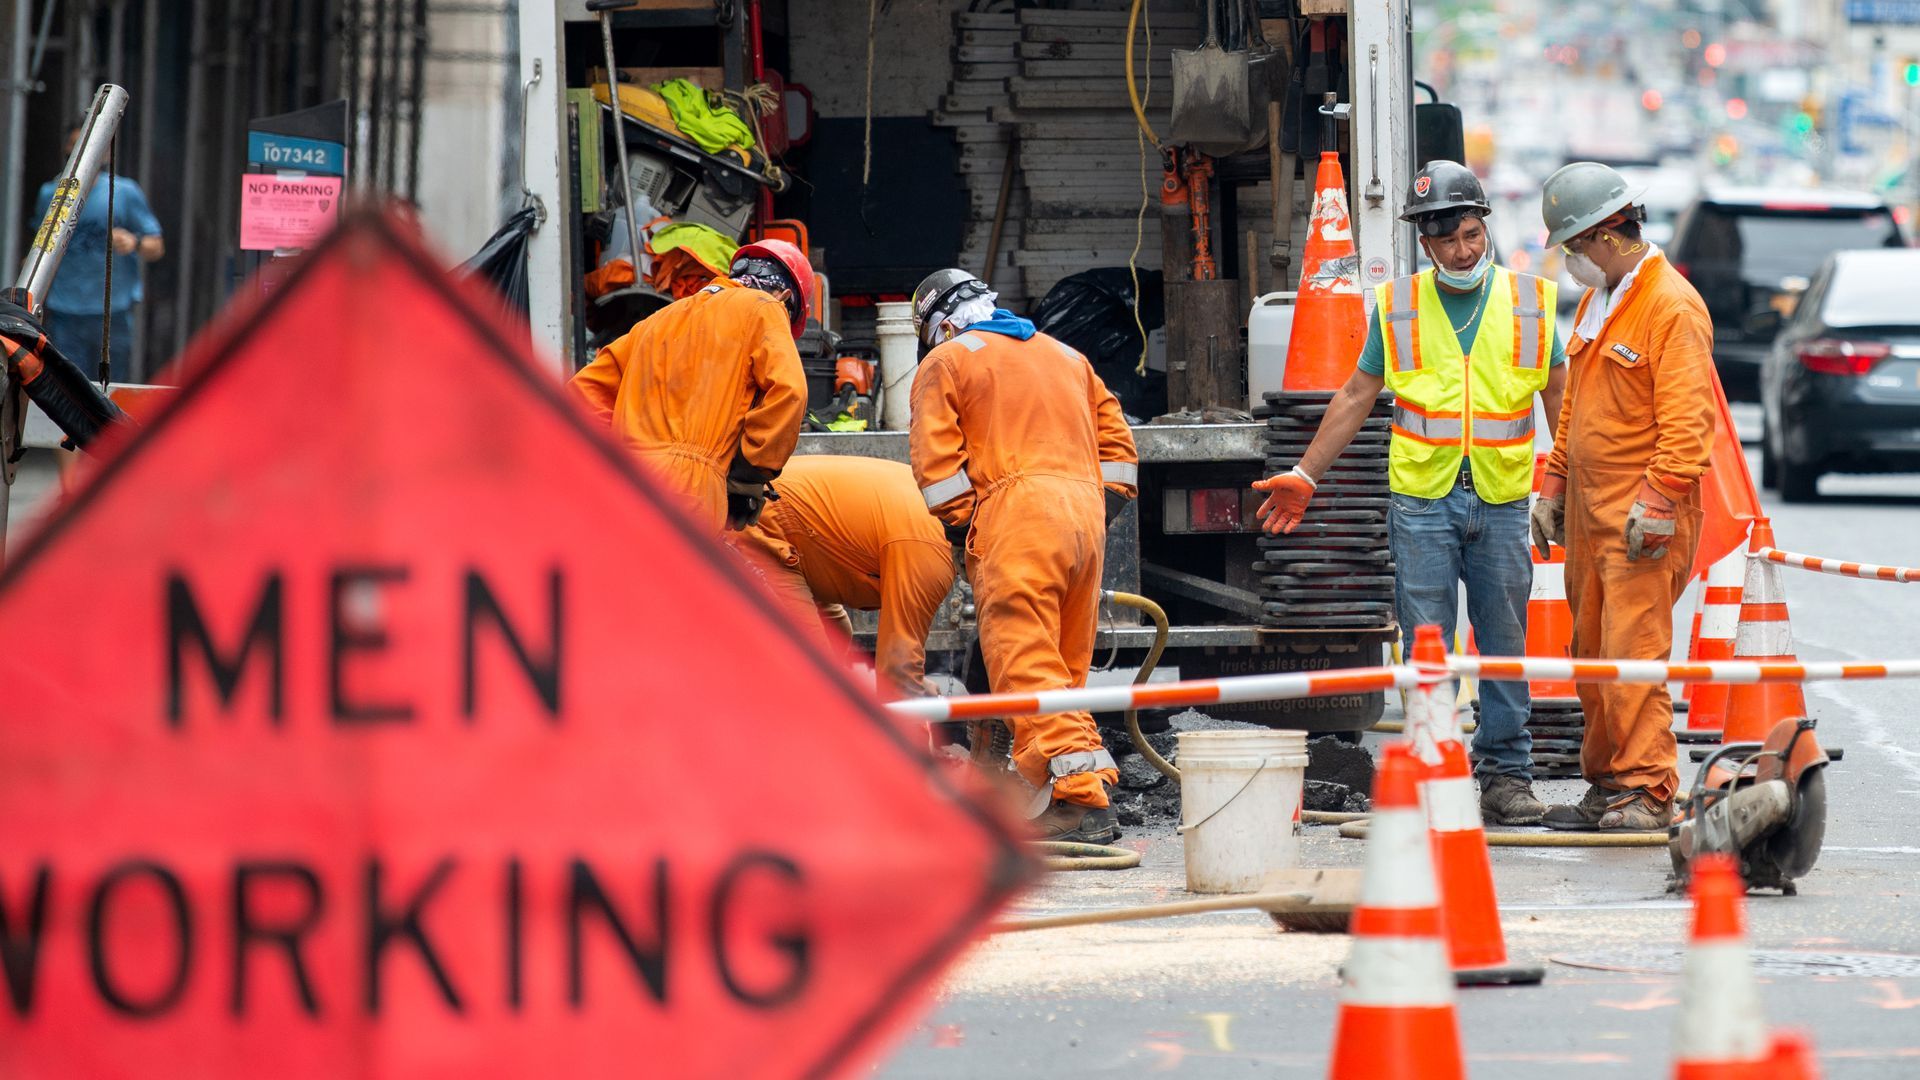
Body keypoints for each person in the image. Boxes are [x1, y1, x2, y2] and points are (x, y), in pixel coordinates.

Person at [1250, 161, 1567, 826]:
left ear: (1486, 227)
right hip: (1422, 503)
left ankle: (1507, 774)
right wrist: (1305, 475)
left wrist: (1563, 484)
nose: (1463, 250)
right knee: (1427, 646)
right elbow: (1356, 395)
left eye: (1473, 235)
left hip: (1504, 501)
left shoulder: (1531, 302)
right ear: (1426, 243)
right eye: (1449, 240)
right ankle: (1434, 768)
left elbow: (1560, 396)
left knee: (1503, 641)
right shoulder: (1397, 306)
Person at [908, 268, 1138, 844]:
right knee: (1063, 669)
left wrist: (965, 529)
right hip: (1085, 518)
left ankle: (1081, 803)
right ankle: (1042, 782)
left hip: (1017, 518)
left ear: (939, 324)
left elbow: (937, 467)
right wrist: (1094, 509)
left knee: (1028, 666)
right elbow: (1120, 447)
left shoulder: (947, 361)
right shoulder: (1065, 355)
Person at [1532, 162, 1715, 833]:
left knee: (1633, 659)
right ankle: (1609, 783)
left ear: (1609, 234)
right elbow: (1576, 402)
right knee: (1594, 655)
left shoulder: (1670, 306)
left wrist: (1661, 500)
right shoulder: (1600, 300)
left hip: (1640, 517)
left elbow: (1690, 422)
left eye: (1575, 248)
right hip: (1591, 514)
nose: (1574, 262)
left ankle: (1648, 788)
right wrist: (1553, 484)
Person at [568, 239, 813, 534]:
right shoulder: (764, 307)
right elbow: (789, 393)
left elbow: (581, 396)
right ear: (784, 296)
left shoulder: (656, 321)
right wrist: (749, 473)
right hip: (690, 489)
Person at [732, 454, 956, 701]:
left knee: (834, 636)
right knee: (815, 669)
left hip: (797, 520)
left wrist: (914, 679)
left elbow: (900, 657)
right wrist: (916, 732)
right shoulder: (931, 551)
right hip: (761, 517)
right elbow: (899, 668)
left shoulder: (944, 513)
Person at [30, 121, 165, 384]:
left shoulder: (124, 192)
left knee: (112, 387)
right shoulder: (50, 193)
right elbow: (39, 245)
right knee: (69, 389)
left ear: (105, 153)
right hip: (64, 312)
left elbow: (157, 247)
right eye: (74, 147)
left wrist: (134, 243)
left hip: (111, 312)